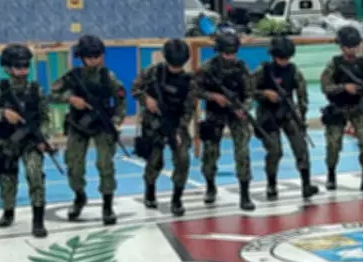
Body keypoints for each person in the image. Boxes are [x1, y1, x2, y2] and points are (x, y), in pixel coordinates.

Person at [50, 35, 127, 225]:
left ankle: (107, 205)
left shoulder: (107, 76)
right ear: (82, 57)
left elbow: (121, 100)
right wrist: (70, 98)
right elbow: (52, 93)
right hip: (78, 125)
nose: (93, 60)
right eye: (89, 56)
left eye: (97, 56)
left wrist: (116, 121)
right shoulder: (73, 76)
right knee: (74, 165)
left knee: (105, 164)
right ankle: (79, 196)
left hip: (102, 125)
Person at [0, 44, 50, 237]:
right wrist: (2, 114)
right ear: (8, 68)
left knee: (35, 175)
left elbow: (45, 117)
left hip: (30, 141)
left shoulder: (36, 90)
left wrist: (44, 137)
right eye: (18, 66)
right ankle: (8, 211)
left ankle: (38, 220)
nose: (23, 70)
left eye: (26, 66)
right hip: (6, 142)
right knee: (7, 181)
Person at [131, 39, 197, 217]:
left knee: (183, 159)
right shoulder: (152, 72)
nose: (175, 68)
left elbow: (189, 109)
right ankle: (150, 191)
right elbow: (135, 89)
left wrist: (179, 130)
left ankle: (177, 198)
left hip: (176, 124)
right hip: (153, 123)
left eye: (179, 65)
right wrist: (146, 99)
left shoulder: (189, 81)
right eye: (173, 64)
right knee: (154, 161)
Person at [252, 36, 319, 200]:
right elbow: (247, 89)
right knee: (275, 151)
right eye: (281, 58)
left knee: (301, 148)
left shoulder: (294, 71)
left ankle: (306, 184)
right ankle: (271, 185)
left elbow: (302, 94)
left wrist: (301, 116)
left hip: (288, 112)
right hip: (267, 114)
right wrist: (264, 93)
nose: (284, 61)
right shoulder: (263, 70)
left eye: (287, 58)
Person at [196, 32, 255, 211]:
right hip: (215, 113)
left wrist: (244, 109)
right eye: (227, 53)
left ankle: (245, 193)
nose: (231, 57)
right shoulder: (208, 68)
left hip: (236, 113)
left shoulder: (241, 67)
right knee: (210, 152)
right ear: (220, 51)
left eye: (233, 53)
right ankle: (210, 186)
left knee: (242, 151)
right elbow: (194, 89)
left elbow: (250, 93)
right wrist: (213, 96)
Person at [320, 26, 363, 194]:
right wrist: (344, 87)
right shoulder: (334, 64)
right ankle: (331, 174)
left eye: (354, 46)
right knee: (333, 144)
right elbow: (325, 87)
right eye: (348, 46)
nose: (351, 50)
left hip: (358, 108)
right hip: (338, 109)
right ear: (341, 46)